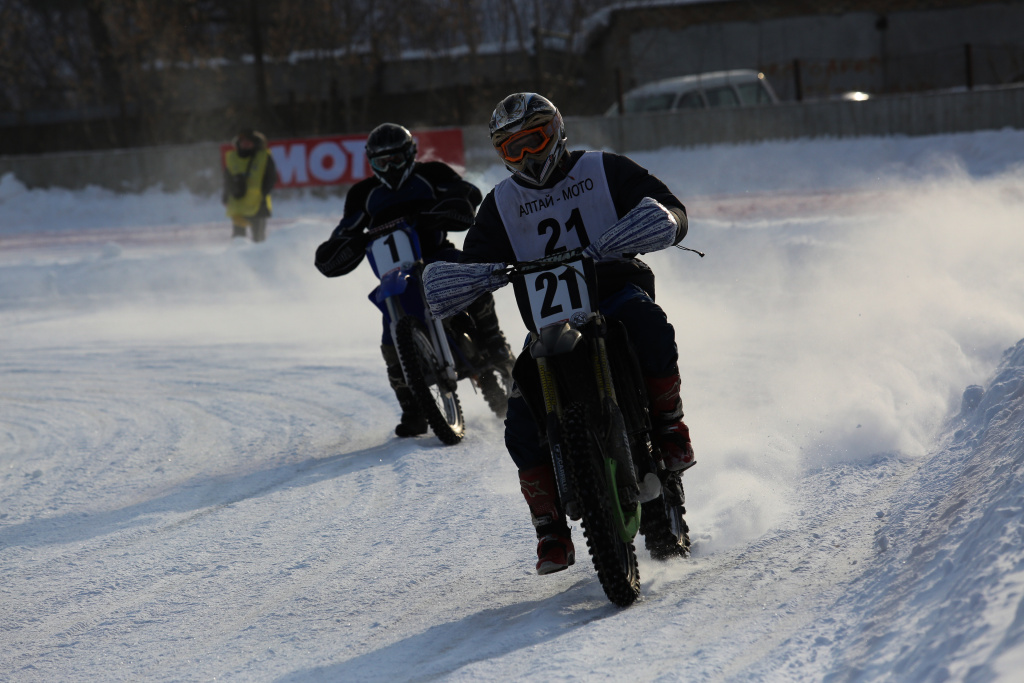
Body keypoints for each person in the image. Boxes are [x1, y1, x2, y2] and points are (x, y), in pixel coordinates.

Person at [459, 92, 696, 575]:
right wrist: (461, 294)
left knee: (650, 325)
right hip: (549, 325)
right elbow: (471, 265)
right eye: (514, 148)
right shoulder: (500, 203)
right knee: (520, 418)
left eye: (536, 139)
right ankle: (549, 528)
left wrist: (666, 220)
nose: (528, 155)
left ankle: (670, 426)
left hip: (615, 294)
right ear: (502, 154)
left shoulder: (602, 169)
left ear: (557, 131)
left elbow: (669, 205)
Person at [315, 122, 513, 437]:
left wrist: (444, 209)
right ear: (371, 162)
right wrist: (341, 246)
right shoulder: (363, 194)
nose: (390, 167)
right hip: (394, 275)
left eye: (395, 159)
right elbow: (345, 230)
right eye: (382, 162)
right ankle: (412, 407)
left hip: (437, 255)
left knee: (469, 273)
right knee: (389, 337)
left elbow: (467, 193)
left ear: (410, 154)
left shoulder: (431, 174)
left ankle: (494, 342)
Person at [222, 129, 278, 242]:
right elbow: (228, 180)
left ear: (256, 143)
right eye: (243, 141)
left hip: (258, 204)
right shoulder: (232, 158)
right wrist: (225, 196)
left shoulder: (264, 157)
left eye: (248, 141)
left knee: (259, 239)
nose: (245, 144)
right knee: (238, 239)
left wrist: (263, 193)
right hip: (238, 205)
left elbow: (271, 178)